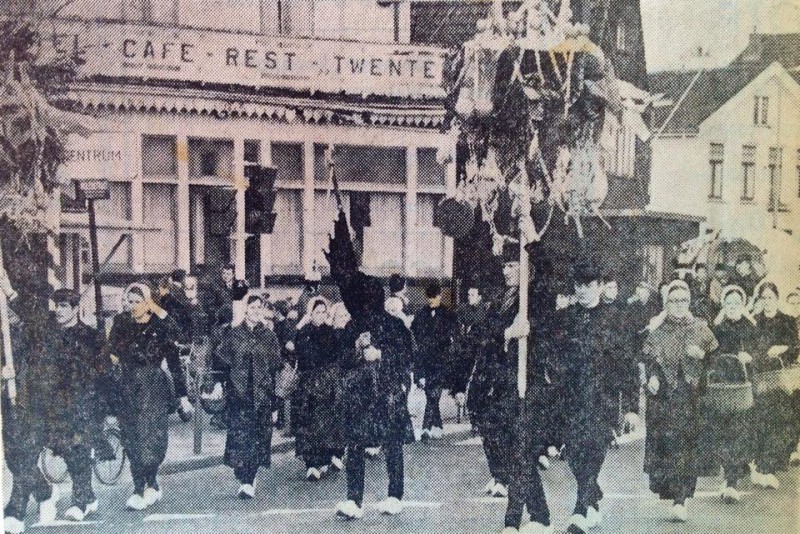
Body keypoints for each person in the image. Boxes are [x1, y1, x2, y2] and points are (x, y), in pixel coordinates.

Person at [550, 264, 634, 534]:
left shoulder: (616, 318)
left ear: (600, 286)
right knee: (574, 453)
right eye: (579, 285)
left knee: (594, 450)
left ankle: (580, 510)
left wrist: (630, 406)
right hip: (571, 398)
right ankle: (593, 497)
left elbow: (627, 364)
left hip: (603, 398)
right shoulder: (565, 317)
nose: (583, 290)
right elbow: (555, 354)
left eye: (589, 285)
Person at [107, 283, 193, 510]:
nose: (133, 306)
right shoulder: (121, 323)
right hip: (128, 387)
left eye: (139, 301)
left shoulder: (160, 326)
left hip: (154, 389)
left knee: (151, 439)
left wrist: (183, 396)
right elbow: (112, 353)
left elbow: (176, 351)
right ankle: (138, 487)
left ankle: (151, 483)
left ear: (148, 303)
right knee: (131, 437)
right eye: (131, 301)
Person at [22, 289, 106, 521]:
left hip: (82, 403)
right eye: (56, 306)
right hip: (54, 404)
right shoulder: (50, 335)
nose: (58, 311)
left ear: (75, 308)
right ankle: (88, 497)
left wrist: (99, 406)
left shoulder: (90, 336)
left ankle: (80, 501)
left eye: (64, 306)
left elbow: (102, 372)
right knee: (64, 451)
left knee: (78, 451)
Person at [335, 276, 414, 520]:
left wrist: (380, 353)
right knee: (356, 444)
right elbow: (342, 360)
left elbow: (408, 357)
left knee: (392, 444)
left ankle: (394, 495)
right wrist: (357, 350)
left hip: (387, 393)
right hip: (360, 395)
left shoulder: (395, 325)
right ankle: (353, 499)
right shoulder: (353, 327)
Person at [642, 279, 718, 523]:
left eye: (683, 300)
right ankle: (674, 493)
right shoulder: (657, 331)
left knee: (687, 446)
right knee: (668, 447)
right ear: (666, 304)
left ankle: (681, 498)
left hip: (691, 397)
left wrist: (703, 355)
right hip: (665, 399)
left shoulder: (701, 328)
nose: (678, 305)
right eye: (673, 301)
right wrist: (652, 378)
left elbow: (717, 360)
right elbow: (651, 363)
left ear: (689, 302)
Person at [205, 294, 282, 498]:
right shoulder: (233, 335)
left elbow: (276, 367)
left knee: (257, 437)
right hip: (238, 396)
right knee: (240, 438)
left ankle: (249, 478)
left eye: (260, 307)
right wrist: (218, 385)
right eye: (253, 307)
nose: (256, 311)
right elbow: (220, 362)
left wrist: (275, 399)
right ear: (246, 309)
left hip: (262, 395)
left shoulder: (269, 336)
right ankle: (243, 473)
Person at [1, 277, 60, 533]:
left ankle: (15, 511)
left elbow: (41, 343)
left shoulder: (40, 320)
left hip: (37, 397)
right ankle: (45, 491)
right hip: (10, 396)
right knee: (13, 455)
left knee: (25, 451)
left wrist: (10, 292)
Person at [468, 248, 525, 500]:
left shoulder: (528, 300)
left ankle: (508, 477)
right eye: (505, 266)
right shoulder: (500, 298)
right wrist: (502, 334)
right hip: (492, 369)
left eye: (512, 266)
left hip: (515, 371)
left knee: (507, 425)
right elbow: (485, 331)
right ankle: (498, 474)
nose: (506, 271)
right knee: (488, 424)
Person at [700, 285, 757, 503]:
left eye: (736, 303)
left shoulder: (751, 328)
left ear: (743, 305)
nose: (732, 307)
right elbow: (709, 355)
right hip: (722, 387)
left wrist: (749, 356)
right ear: (723, 305)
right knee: (722, 432)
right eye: (729, 304)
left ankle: (732, 481)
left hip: (744, 387)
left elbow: (759, 353)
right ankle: (728, 473)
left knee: (739, 431)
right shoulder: (717, 328)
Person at [749, 282, 799, 489]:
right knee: (761, 422)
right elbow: (749, 349)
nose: (767, 301)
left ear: (777, 299)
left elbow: (795, 348)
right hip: (760, 378)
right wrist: (764, 354)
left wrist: (783, 351)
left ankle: (768, 467)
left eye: (771, 297)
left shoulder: (787, 321)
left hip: (780, 381)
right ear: (760, 300)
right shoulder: (754, 322)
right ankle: (761, 466)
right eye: (764, 298)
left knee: (779, 424)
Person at [293, 297, 345, 479]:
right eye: (317, 312)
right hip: (308, 386)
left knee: (327, 423)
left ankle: (326, 458)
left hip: (328, 384)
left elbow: (338, 358)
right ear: (310, 313)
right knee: (309, 424)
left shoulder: (331, 333)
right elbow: (297, 352)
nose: (321, 315)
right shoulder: (303, 332)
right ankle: (311, 463)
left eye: (324, 312)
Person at [411, 281, 456, 439]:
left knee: (433, 394)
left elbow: (452, 336)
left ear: (439, 296)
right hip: (425, 360)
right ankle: (437, 425)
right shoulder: (421, 313)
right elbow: (414, 334)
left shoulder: (448, 314)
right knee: (431, 394)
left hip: (441, 360)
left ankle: (425, 428)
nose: (431, 301)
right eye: (428, 298)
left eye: (434, 298)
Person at [448, 283, 487, 422]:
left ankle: (474, 413)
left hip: (477, 352)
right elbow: (456, 326)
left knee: (476, 381)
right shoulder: (463, 310)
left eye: (473, 295)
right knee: (458, 373)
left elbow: (483, 334)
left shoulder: (483, 312)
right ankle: (459, 397)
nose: (469, 297)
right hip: (463, 351)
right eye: (468, 295)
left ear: (480, 297)